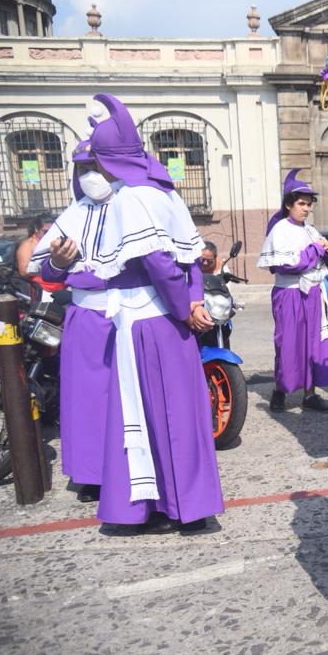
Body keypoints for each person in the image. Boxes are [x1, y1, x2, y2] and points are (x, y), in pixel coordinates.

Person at [57, 92, 223, 534]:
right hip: (168, 318)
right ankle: (188, 506)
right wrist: (192, 302)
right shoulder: (164, 190)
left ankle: (152, 508)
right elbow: (190, 259)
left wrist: (182, 307)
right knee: (181, 414)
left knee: (144, 413)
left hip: (145, 319)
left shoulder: (132, 198)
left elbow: (158, 263)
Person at [28, 136, 116, 503]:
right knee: (86, 399)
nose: (90, 175)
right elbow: (44, 267)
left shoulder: (131, 205)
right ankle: (91, 473)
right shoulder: (73, 214)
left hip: (124, 314)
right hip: (84, 314)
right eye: (82, 169)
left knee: (125, 397)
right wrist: (59, 262)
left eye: (95, 166)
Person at [258, 169, 328, 413]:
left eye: (309, 204)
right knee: (288, 344)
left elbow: (325, 263)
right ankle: (280, 390)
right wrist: (315, 250)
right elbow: (289, 265)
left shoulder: (310, 230)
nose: (306, 208)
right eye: (302, 204)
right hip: (290, 294)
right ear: (289, 205)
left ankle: (310, 394)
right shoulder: (280, 230)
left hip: (313, 293)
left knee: (314, 343)